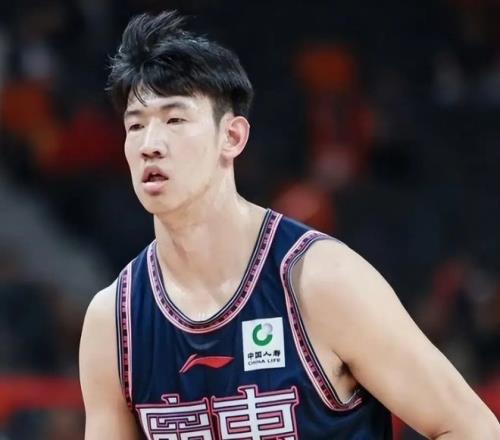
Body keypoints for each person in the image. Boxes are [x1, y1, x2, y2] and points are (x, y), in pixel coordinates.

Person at [79, 11, 500, 440]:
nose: (150, 144)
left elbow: (473, 429)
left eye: (174, 120)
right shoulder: (113, 322)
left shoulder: (321, 281)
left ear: (232, 137)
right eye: (136, 125)